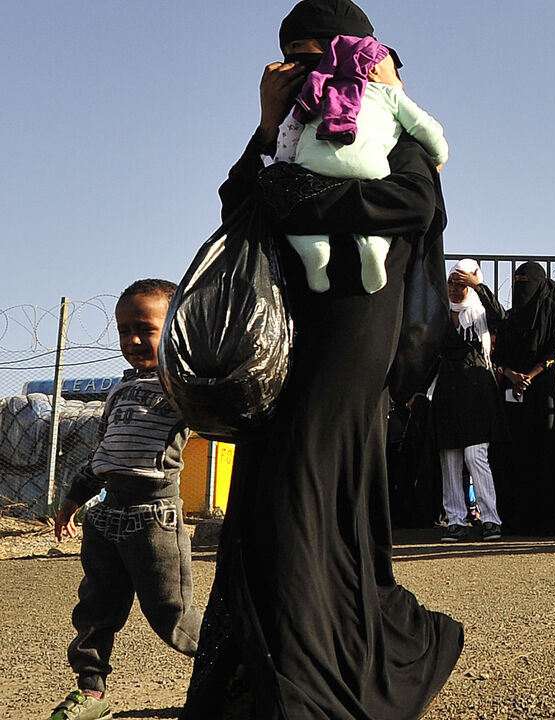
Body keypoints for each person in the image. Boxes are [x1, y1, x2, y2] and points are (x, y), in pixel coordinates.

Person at [183, 3, 463, 716]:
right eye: (288, 59)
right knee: (275, 492)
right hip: (287, 332)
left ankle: (303, 687)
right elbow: (236, 206)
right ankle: (283, 665)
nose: (302, 72)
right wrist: (266, 123)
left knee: (294, 486)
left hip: (354, 325)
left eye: (314, 56)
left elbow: (412, 201)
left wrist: (294, 193)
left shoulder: (389, 117)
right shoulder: (291, 128)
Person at [45, 280, 202, 720]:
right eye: (123, 329)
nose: (132, 339)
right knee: (95, 608)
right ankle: (91, 693)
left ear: (175, 328)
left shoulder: (184, 385)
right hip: (106, 515)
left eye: (145, 329)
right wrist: (73, 500)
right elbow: (104, 455)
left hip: (155, 518)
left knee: (173, 615)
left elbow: (227, 412)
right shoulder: (117, 390)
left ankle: (237, 674)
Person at [276, 34, 449, 294]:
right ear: (376, 70)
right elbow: (426, 127)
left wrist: (285, 163)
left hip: (313, 167)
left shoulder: (320, 89)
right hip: (369, 169)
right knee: (378, 226)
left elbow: (291, 130)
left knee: (299, 220)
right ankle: (374, 248)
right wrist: (440, 156)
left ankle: (314, 250)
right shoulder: (389, 95)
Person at [490, 262, 555, 535]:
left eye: (527, 282)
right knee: (514, 455)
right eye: (518, 282)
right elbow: (497, 356)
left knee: (545, 453)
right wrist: (512, 374)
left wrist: (530, 375)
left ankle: (546, 518)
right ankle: (514, 518)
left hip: (543, 392)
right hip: (513, 395)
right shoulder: (510, 319)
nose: (522, 288)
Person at [433, 259, 507, 542]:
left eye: (461, 284)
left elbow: (502, 317)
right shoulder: (438, 312)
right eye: (451, 282)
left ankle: (491, 519)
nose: (454, 289)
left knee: (475, 455)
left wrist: (479, 286)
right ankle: (456, 520)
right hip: (448, 391)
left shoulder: (480, 311)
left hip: (478, 391)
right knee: (449, 458)